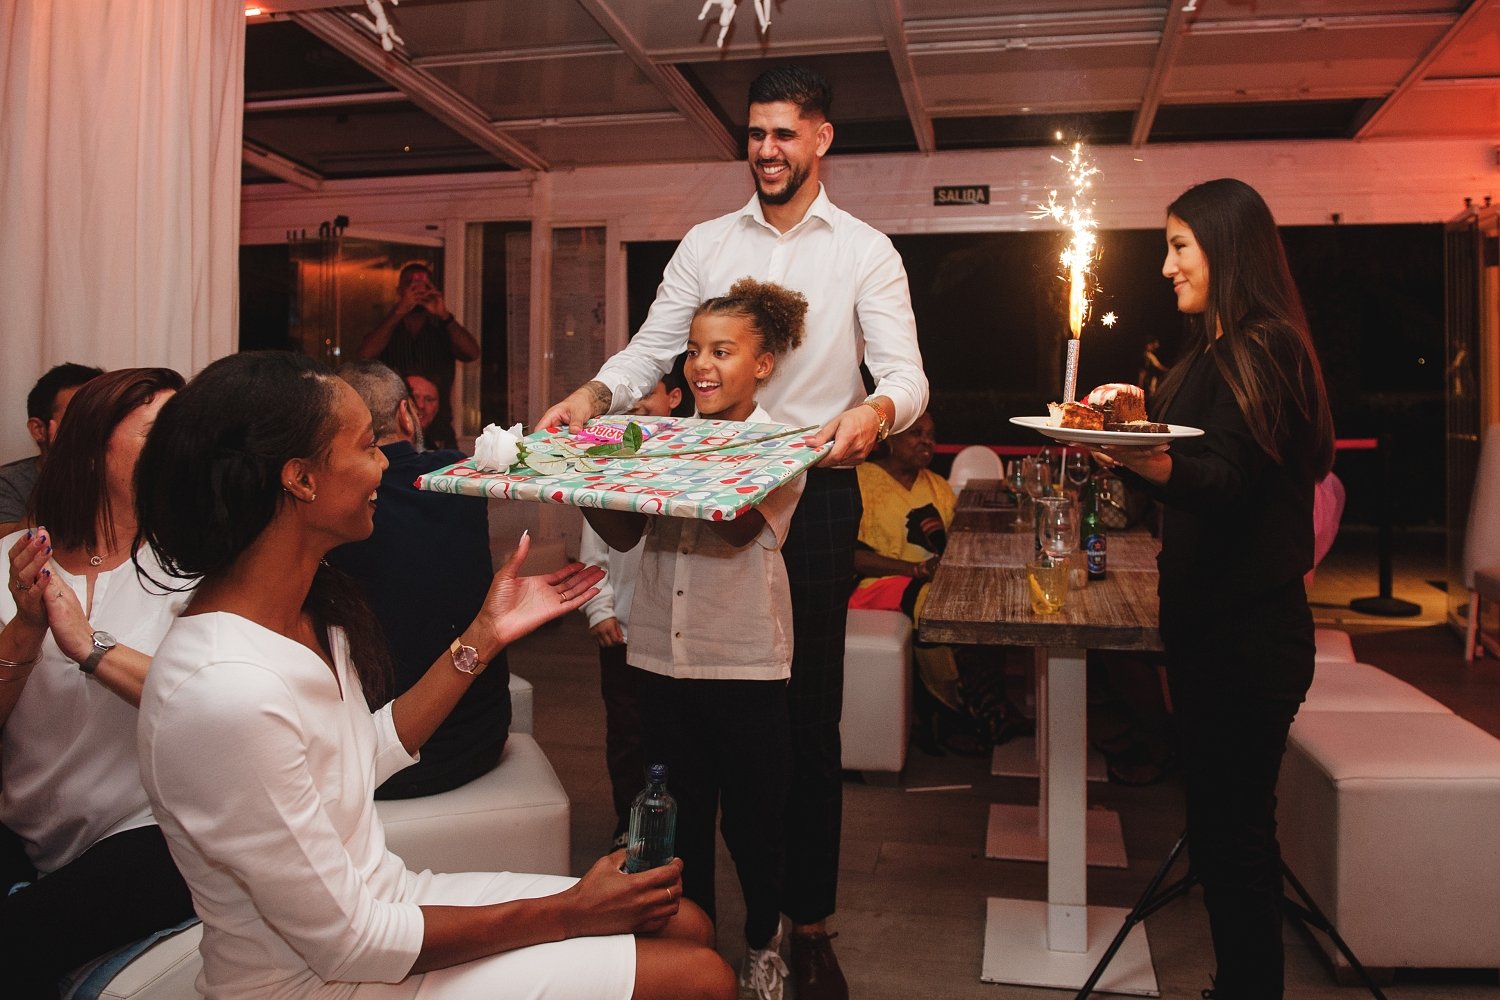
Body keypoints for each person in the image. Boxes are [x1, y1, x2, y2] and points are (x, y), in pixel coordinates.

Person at [132, 351, 733, 1000]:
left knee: (687, 921)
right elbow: (350, 941)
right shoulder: (225, 691)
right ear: (301, 479)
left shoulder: (311, 612)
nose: (385, 464)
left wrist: (483, 634)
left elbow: (362, 755)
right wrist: (574, 912)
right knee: (701, 976)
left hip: (385, 907)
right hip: (319, 979)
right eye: (367, 446)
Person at [537, 66, 929, 999]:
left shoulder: (865, 251)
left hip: (817, 493)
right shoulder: (707, 242)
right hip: (695, 484)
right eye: (755, 134)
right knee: (688, 712)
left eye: (785, 134)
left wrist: (875, 416)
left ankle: (810, 922)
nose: (766, 150)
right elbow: (647, 349)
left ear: (822, 139)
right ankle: (695, 930)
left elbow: (909, 376)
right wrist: (592, 396)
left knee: (807, 722)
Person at [1093, 178, 1336, 1000]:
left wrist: (1145, 457)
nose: (1166, 267)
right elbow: (1189, 467)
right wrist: (1134, 427)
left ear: (1227, 249)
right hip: (1212, 632)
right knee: (1225, 834)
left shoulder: (1263, 347)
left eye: (1180, 246)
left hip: (1247, 636)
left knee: (1234, 843)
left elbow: (1225, 480)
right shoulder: (1211, 354)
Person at [582, 279, 807, 1000]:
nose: (699, 366)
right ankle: (696, 943)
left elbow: (733, 522)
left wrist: (660, 458)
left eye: (721, 351)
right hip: (658, 656)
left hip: (742, 662)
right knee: (676, 819)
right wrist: (594, 472)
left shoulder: (778, 444)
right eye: (691, 352)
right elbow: (624, 528)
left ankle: (765, 938)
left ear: (763, 364)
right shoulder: (666, 438)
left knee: (754, 821)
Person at [0, 367, 193, 998]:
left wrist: (90, 646)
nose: (180, 448)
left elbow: (210, 706)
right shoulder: (17, 563)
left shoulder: (197, 571)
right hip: (31, 834)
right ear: (88, 451)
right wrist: (26, 627)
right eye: (156, 433)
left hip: (151, 836)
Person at [327, 360, 509, 799]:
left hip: (377, 760)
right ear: (407, 414)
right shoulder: (459, 475)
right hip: (478, 739)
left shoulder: (328, 507)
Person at [850, 412, 1022, 755]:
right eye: (916, 434)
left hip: (930, 581)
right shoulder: (861, 481)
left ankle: (983, 703)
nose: (927, 441)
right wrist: (914, 570)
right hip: (874, 587)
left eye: (931, 434)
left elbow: (958, 542)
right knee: (934, 604)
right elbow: (849, 555)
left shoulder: (937, 486)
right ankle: (951, 712)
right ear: (890, 439)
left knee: (985, 600)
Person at [577, 372, 685, 847]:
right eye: (629, 396)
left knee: (675, 736)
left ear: (675, 398)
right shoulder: (614, 459)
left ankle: (673, 825)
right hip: (622, 629)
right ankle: (629, 825)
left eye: (648, 393)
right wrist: (598, 609)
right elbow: (594, 543)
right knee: (626, 735)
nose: (637, 404)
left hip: (674, 632)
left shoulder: (689, 459)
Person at [359, 262, 478, 450]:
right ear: (400, 290)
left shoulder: (441, 329)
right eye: (411, 285)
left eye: (424, 286)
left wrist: (444, 315)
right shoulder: (388, 328)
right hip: (394, 428)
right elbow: (365, 355)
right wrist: (400, 310)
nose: (418, 291)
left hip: (438, 427)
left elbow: (472, 353)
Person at [0, 362, 104, 536]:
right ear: (39, 430)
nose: (95, 427)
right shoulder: (9, 482)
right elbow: (7, 554)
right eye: (79, 416)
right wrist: (63, 466)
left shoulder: (121, 474)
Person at [405, 372, 458, 452]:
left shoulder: (445, 448)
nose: (421, 405)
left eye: (429, 399)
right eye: (414, 397)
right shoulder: (383, 447)